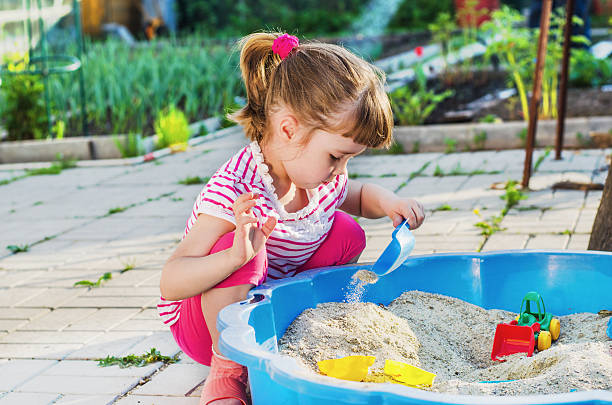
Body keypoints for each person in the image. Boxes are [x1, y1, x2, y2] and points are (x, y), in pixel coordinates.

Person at [158, 32, 426, 405]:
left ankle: (301, 325)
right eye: (336, 157)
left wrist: (390, 203)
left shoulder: (317, 177)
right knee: (247, 244)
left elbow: (358, 195)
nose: (340, 171)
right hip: (207, 325)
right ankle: (228, 372)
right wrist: (235, 256)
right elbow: (171, 282)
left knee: (346, 231)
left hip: (266, 301)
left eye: (349, 159)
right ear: (289, 129)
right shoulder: (238, 190)